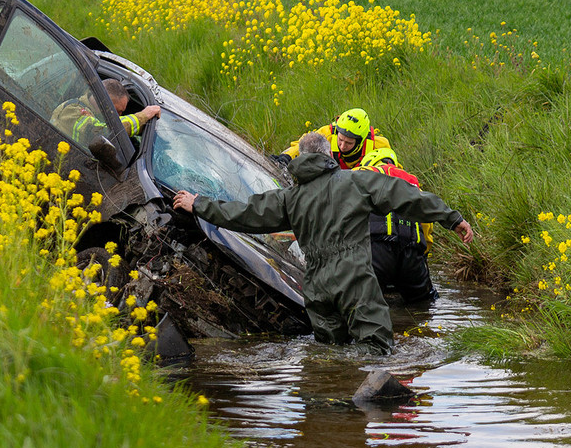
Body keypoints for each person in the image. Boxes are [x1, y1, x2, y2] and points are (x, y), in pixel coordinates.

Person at [174, 130, 472, 353]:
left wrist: (199, 204)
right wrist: (452, 218)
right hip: (354, 278)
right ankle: (362, 407)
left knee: (330, 353)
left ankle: (328, 408)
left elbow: (244, 213)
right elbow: (408, 197)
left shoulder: (290, 198)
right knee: (378, 350)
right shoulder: (356, 182)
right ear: (329, 156)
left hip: (316, 285)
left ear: (301, 158)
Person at [361, 146, 439, 305]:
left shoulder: (362, 178)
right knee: (424, 303)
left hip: (378, 251)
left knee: (367, 303)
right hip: (412, 252)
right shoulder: (412, 185)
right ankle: (422, 328)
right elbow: (427, 229)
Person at [50, 77, 159, 146]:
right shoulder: (72, 110)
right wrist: (142, 116)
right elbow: (102, 133)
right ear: (102, 103)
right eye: (117, 111)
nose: (119, 116)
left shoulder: (95, 115)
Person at [276, 106, 390, 171]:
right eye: (340, 140)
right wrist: (287, 157)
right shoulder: (327, 133)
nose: (343, 146)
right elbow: (303, 144)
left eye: (349, 143)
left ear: (361, 141)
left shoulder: (379, 145)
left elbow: (393, 171)